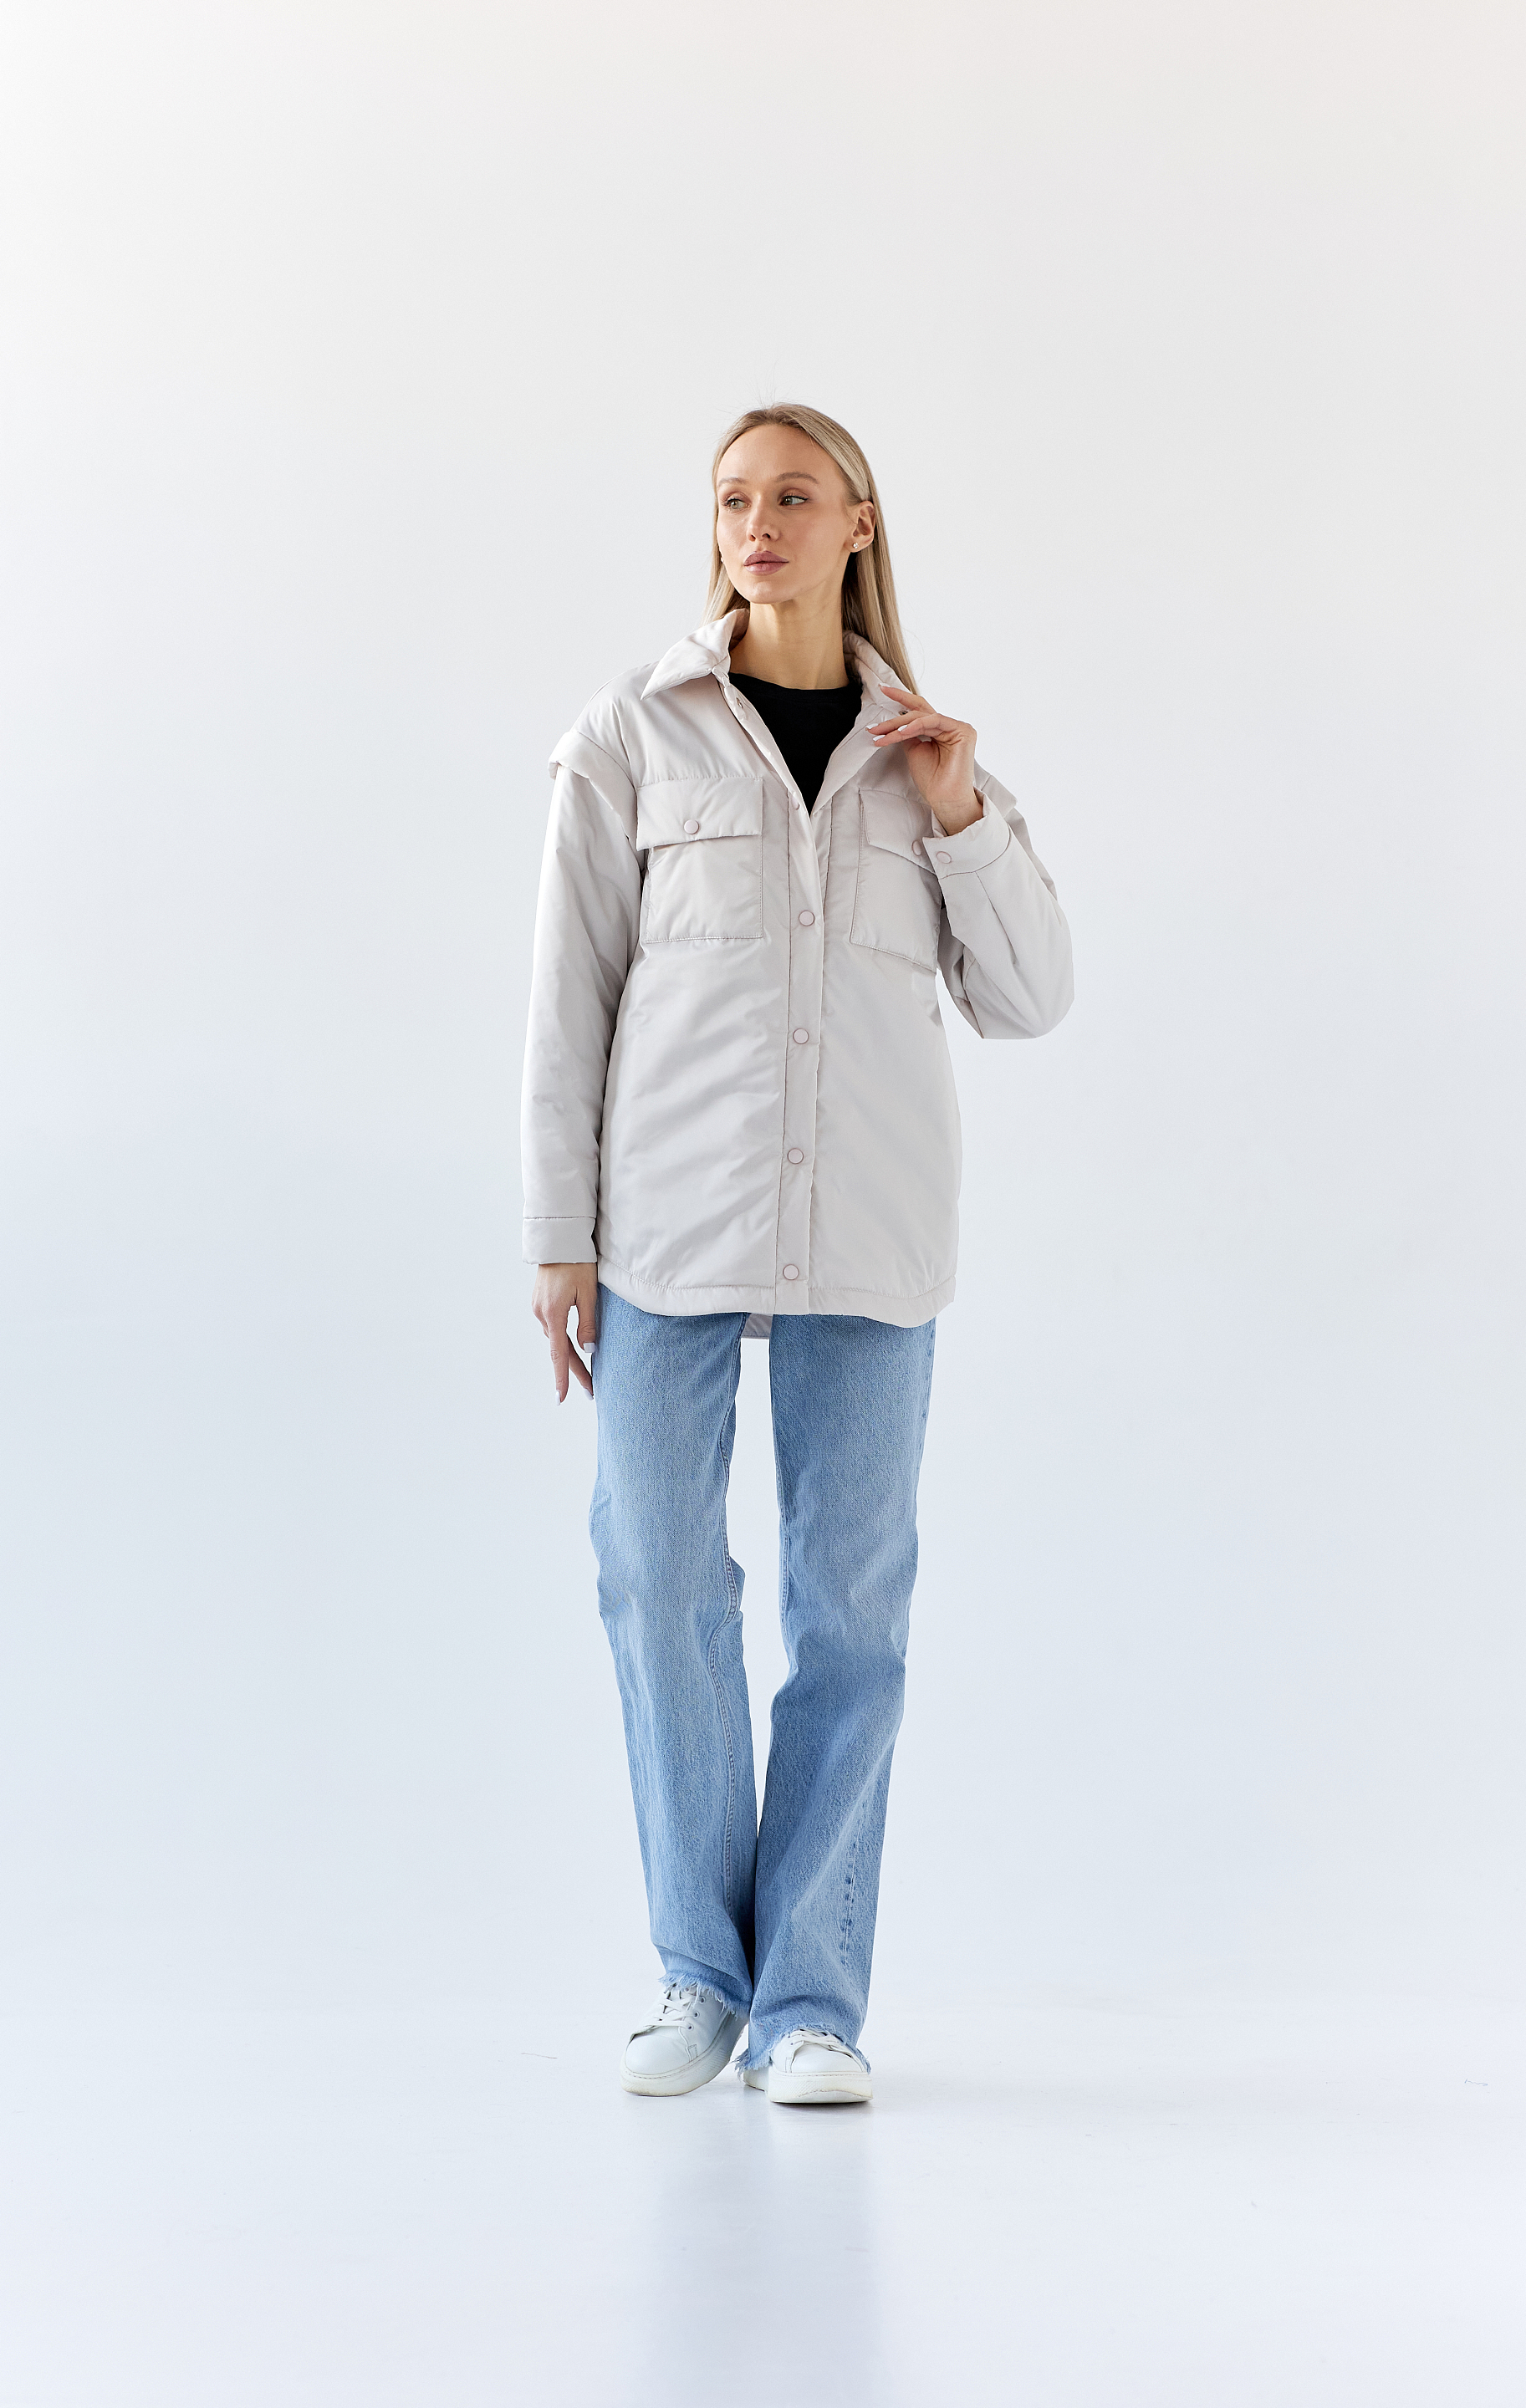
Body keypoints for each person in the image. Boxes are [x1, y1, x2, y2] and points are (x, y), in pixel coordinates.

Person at [522, 404, 1073, 2106]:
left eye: (790, 496)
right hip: (665, 1225)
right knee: (655, 1579)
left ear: (859, 523)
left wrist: (962, 813)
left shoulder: (926, 754)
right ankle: (700, 1976)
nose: (754, 523)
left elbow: (1032, 997)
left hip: (872, 1232)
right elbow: (570, 994)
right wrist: (557, 1237)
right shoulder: (635, 729)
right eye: (731, 499)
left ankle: (810, 2004)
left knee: (851, 1615)